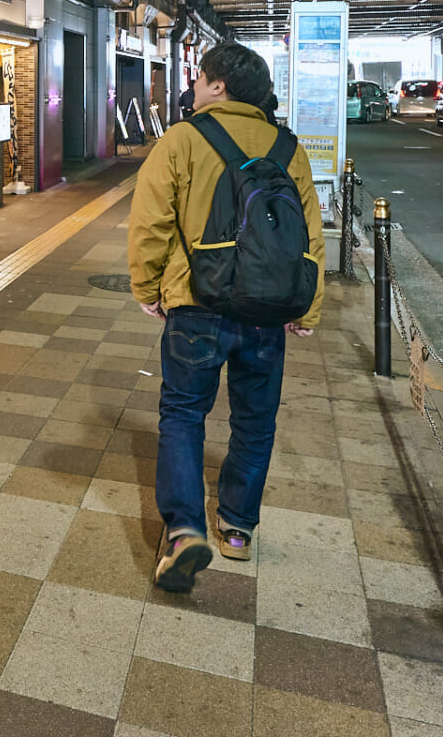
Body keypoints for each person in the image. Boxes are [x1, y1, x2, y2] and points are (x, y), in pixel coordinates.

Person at [128, 41, 323, 593]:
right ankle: (237, 528)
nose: (193, 87)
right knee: (255, 420)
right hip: (266, 311)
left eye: (199, 78)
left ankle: (185, 531)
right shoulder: (288, 147)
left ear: (218, 85)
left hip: (197, 304)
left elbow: (150, 221)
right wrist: (307, 306)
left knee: (183, 414)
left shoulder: (183, 139)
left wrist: (146, 286)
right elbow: (309, 233)